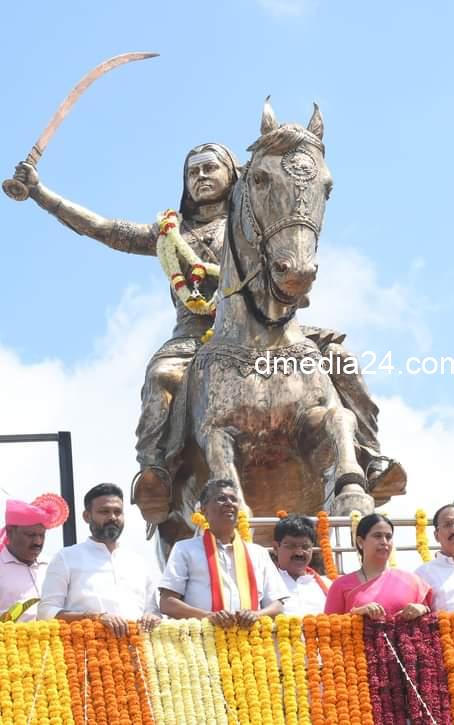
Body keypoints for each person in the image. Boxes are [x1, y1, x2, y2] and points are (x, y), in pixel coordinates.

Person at [13, 146, 405, 523]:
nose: (200, 177)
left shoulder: (254, 222)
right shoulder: (170, 231)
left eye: (209, 168)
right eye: (192, 171)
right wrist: (41, 194)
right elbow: (104, 229)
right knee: (161, 376)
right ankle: (156, 470)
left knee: (341, 358)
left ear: (231, 174)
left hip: (271, 325)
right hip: (194, 337)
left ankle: (370, 458)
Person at [159, 479, 288, 627]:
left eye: (233, 499)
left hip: (252, 643)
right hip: (203, 643)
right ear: (203, 509)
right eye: (221, 498)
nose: (229, 503)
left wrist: (255, 615)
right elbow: (167, 603)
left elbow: (277, 605)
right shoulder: (185, 549)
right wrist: (208, 617)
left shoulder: (258, 553)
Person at [38, 484, 160, 636]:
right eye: (104, 512)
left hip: (138, 651)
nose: (112, 517)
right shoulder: (66, 558)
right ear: (87, 516)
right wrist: (95, 617)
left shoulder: (138, 562)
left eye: (118, 512)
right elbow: (46, 612)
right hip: (86, 653)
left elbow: (153, 611)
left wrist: (152, 617)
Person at [324, 513, 431, 619]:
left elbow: (431, 620)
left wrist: (421, 609)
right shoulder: (341, 585)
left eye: (388, 537)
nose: (384, 542)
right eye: (377, 536)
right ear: (360, 542)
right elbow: (330, 628)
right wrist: (356, 615)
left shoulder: (411, 581)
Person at [0, 494, 69, 622]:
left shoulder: (53, 565)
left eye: (42, 535)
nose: (38, 542)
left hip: (52, 640)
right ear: (10, 532)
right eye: (30, 535)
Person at [272, 514, 329, 616]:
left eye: (305, 546)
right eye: (291, 546)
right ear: (276, 548)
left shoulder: (327, 585)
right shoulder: (266, 584)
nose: (299, 552)